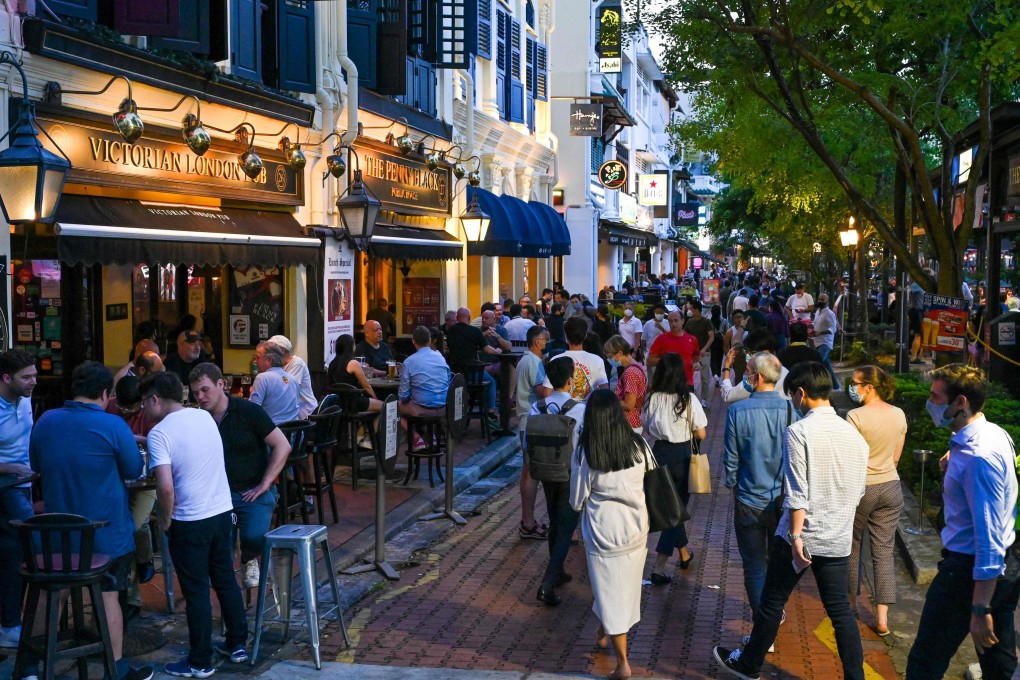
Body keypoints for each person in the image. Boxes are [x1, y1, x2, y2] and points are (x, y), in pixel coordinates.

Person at [714, 362, 869, 680]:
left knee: (772, 602)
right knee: (840, 611)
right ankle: (856, 676)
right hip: (837, 537)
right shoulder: (855, 436)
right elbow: (858, 490)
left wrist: (796, 536)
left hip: (800, 538)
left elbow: (797, 492)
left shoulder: (799, 432)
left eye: (794, 397)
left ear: (800, 393)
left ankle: (748, 664)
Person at [29, 362, 154, 680]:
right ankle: (117, 666)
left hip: (56, 537)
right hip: (105, 536)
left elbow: (36, 463)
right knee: (110, 592)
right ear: (105, 393)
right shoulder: (113, 425)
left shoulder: (45, 420)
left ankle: (31, 665)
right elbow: (132, 471)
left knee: (46, 590)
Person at [906, 365, 1020, 680]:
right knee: (998, 663)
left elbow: (989, 536)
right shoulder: (993, 434)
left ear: (960, 402)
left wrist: (980, 608)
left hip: (968, 573)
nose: (930, 402)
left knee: (925, 662)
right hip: (1002, 569)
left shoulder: (976, 456)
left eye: (935, 396)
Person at [143, 372, 249, 676]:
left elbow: (164, 487)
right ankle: (237, 643)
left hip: (190, 520)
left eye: (143, 404)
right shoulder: (204, 417)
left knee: (197, 590)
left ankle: (200, 661)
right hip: (221, 513)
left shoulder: (159, 433)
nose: (143, 412)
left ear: (155, 399)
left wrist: (165, 519)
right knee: (225, 578)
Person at [190, 363, 292, 589]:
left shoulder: (248, 411)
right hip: (215, 496)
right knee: (204, 542)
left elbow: (282, 445)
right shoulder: (197, 419)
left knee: (254, 537)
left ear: (221, 384)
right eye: (195, 392)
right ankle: (221, 588)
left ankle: (248, 558)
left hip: (251, 490)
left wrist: (265, 483)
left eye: (205, 390)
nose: (200, 397)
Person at [570, 390, 649, 680]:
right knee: (623, 587)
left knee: (609, 591)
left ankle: (623, 664)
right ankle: (603, 633)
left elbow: (577, 499)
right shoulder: (638, 445)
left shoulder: (587, 451)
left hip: (603, 532)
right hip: (637, 527)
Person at [723, 353, 799, 636]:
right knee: (779, 563)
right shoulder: (793, 410)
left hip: (748, 498)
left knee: (754, 565)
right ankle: (774, 612)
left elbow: (731, 461)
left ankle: (763, 626)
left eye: (748, 372)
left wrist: (732, 482)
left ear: (755, 377)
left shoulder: (738, 411)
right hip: (783, 500)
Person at [845, 366, 905, 637]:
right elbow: (895, 458)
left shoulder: (854, 416)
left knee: (852, 547)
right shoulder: (898, 413)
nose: (852, 387)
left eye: (855, 383)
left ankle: (851, 606)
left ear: (869, 387)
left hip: (863, 488)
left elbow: (850, 457)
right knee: (883, 552)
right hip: (891, 487)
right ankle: (882, 619)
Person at [643, 353, 707, 583]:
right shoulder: (688, 399)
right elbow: (701, 432)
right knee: (675, 510)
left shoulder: (654, 398)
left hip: (659, 453)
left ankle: (684, 554)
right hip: (682, 455)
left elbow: (647, 427)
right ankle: (659, 566)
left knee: (671, 507)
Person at [532, 357, 585, 605]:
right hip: (570, 474)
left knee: (555, 522)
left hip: (544, 472)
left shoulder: (537, 407)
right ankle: (547, 583)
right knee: (565, 528)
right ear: (570, 380)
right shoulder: (580, 409)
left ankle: (559, 570)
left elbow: (526, 444)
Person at [0, 350, 37, 649]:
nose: (33, 381)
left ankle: (14, 618)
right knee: (28, 542)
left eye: (34, 375)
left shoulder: (25, 400)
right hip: (5, 483)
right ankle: (12, 621)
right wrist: (10, 467)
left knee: (15, 550)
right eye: (26, 377)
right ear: (5, 378)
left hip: (25, 481)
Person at [516, 326, 552, 540]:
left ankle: (527, 520)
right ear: (538, 342)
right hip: (530, 420)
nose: (547, 344)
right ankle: (528, 522)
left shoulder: (526, 360)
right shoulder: (533, 362)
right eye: (546, 340)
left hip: (525, 419)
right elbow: (543, 392)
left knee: (527, 471)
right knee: (531, 472)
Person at [445, 308, 501, 432]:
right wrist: (497, 351)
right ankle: (491, 413)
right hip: (472, 374)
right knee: (491, 382)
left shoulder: (450, 331)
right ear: (469, 318)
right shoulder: (474, 331)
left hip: (455, 375)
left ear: (457, 318)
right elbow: (487, 349)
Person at [399, 326, 452, 447]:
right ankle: (431, 435)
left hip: (422, 409)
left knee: (391, 408)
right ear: (429, 340)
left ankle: (416, 438)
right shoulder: (440, 356)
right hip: (444, 407)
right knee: (422, 399)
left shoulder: (409, 361)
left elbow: (403, 395)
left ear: (413, 341)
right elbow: (448, 380)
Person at [542, 316, 608, 402]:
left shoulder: (556, 360)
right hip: (588, 411)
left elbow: (547, 393)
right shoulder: (597, 360)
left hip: (562, 412)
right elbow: (605, 392)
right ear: (585, 336)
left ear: (566, 337)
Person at [327, 334, 384, 412]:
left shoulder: (332, 363)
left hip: (338, 403)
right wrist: (375, 399)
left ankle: (367, 424)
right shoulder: (353, 363)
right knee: (385, 407)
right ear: (351, 347)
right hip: (353, 403)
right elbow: (366, 386)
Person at [250, 341, 300, 425]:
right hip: (295, 435)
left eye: (257, 357)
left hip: (272, 434)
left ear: (269, 360)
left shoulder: (262, 378)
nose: (255, 361)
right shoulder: (293, 379)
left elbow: (252, 410)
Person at [646, 311, 699, 390]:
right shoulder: (661, 339)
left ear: (683, 321)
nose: (673, 324)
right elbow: (650, 360)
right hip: (666, 384)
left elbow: (696, 356)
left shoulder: (692, 339)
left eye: (676, 320)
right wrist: (668, 360)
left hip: (687, 383)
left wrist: (696, 363)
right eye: (670, 321)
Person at [268, 335, 317, 419]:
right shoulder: (277, 366)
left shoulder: (297, 363)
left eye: (272, 351)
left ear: (282, 350)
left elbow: (287, 389)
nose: (268, 354)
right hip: (291, 413)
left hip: (306, 414)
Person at [603, 335, 645, 432]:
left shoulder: (630, 373)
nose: (609, 359)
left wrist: (609, 398)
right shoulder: (636, 367)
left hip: (629, 425)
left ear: (620, 353)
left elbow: (629, 404)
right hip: (632, 423)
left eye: (610, 356)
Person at [684, 300, 715, 408]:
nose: (689, 311)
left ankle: (704, 399)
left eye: (691, 309)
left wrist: (704, 349)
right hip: (691, 354)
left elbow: (711, 337)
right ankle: (690, 396)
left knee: (704, 377)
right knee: (688, 375)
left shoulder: (706, 322)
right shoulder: (689, 322)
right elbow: (685, 336)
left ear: (696, 309)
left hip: (704, 354)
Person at [812, 293, 841, 390]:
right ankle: (836, 387)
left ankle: (817, 385)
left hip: (825, 342)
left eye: (822, 300)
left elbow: (833, 328)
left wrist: (820, 333)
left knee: (817, 362)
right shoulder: (817, 312)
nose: (820, 301)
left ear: (827, 301)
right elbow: (815, 323)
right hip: (817, 341)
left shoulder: (829, 313)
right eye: (819, 299)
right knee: (827, 365)